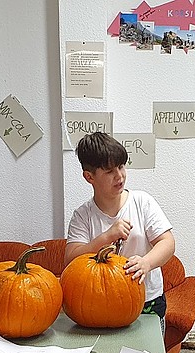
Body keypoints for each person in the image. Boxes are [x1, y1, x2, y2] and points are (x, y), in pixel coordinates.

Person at [65, 132, 175, 332]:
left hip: (147, 300)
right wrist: (107, 236)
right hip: (99, 307)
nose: (120, 176)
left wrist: (146, 263)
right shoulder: (83, 215)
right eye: (109, 171)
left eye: (122, 166)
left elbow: (167, 243)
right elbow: (71, 260)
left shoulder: (142, 202)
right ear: (89, 177)